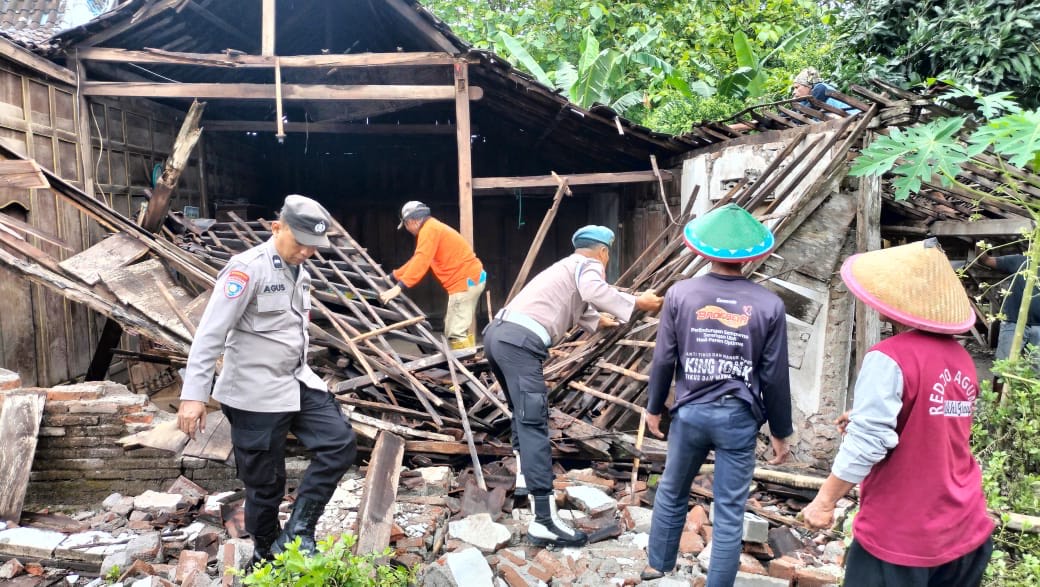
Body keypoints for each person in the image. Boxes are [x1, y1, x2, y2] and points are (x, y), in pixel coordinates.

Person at [802, 238, 994, 587]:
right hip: (965, 527)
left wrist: (825, 501)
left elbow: (869, 442)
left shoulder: (889, 357)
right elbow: (937, 422)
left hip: (903, 534)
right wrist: (866, 416)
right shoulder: (961, 358)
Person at [177, 194, 357, 565]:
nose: (306, 252)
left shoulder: (299, 270)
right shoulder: (247, 269)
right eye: (301, 243)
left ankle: (299, 531)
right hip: (253, 393)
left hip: (295, 381)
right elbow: (210, 333)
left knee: (339, 443)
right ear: (277, 228)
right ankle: (265, 557)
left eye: (313, 246)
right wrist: (194, 395)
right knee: (266, 485)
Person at [483, 225, 663, 547]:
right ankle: (544, 521)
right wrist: (638, 302)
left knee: (521, 415)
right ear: (603, 252)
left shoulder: (566, 266)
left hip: (498, 336)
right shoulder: (589, 265)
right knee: (534, 423)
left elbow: (575, 300)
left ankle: (525, 479)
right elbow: (593, 291)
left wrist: (596, 320)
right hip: (519, 344)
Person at [641, 203, 793, 584]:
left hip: (690, 413)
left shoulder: (680, 294)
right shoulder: (770, 305)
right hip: (738, 418)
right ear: (751, 255)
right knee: (729, 509)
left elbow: (664, 358)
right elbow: (774, 376)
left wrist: (654, 407)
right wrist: (780, 431)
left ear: (704, 249)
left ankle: (657, 566)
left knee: (672, 490)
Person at [379, 201, 486, 349]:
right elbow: (418, 260)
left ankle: (465, 359)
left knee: (455, 331)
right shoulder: (432, 228)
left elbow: (421, 260)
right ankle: (469, 355)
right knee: (456, 327)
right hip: (470, 279)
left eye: (406, 225)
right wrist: (394, 276)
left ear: (412, 221)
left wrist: (399, 287)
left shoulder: (429, 230)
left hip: (464, 282)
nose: (407, 229)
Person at [980, 251, 1040, 361]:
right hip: (1013, 323)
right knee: (1005, 363)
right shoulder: (1021, 261)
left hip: (1039, 326)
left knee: (1036, 368)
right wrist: (980, 245)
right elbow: (986, 260)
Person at [792, 67, 861, 115]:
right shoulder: (805, 101)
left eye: (797, 87)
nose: (794, 92)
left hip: (855, 116)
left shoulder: (820, 89)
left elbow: (803, 114)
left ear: (808, 86)